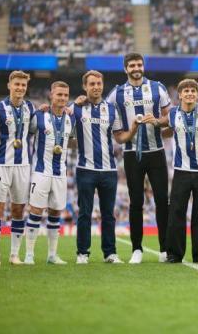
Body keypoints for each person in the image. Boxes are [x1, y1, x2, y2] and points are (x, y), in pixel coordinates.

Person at [106, 53, 171, 264]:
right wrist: (132, 129)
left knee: (162, 200)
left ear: (143, 67)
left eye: (139, 64)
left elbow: (169, 118)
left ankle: (164, 248)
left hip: (156, 152)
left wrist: (158, 121)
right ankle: (137, 249)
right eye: (132, 65)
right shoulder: (116, 94)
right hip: (132, 153)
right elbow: (116, 134)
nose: (136, 68)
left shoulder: (157, 88)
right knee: (136, 202)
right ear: (126, 69)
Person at [149, 79, 198, 263]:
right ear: (180, 95)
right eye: (186, 90)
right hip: (181, 171)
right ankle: (174, 254)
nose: (190, 93)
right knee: (176, 212)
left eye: (193, 90)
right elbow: (161, 122)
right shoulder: (173, 114)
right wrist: (152, 121)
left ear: (197, 94)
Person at [0, 70, 35, 265]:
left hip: (23, 166)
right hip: (1, 165)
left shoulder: (30, 107)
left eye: (23, 85)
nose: (20, 88)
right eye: (17, 84)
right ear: (9, 85)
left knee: (18, 210)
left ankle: (14, 255)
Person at [73, 71, 124, 264]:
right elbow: (60, 117)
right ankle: (82, 253)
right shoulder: (76, 109)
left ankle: (110, 253)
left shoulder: (111, 110)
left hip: (109, 170)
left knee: (108, 214)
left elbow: (119, 136)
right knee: (85, 213)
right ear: (85, 87)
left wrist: (135, 127)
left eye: (99, 83)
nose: (96, 86)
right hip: (85, 169)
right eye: (92, 84)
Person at [24, 81, 76, 265]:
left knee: (55, 213)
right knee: (36, 211)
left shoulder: (71, 118)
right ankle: (29, 254)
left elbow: (73, 140)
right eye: (58, 94)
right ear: (51, 95)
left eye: (65, 95)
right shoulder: (39, 116)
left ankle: (52, 255)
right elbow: (24, 135)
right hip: (40, 171)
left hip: (60, 173)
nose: (62, 98)